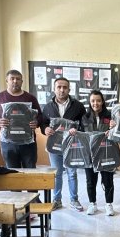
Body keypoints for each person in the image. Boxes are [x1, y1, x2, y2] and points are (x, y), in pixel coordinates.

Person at [41, 77, 87, 211]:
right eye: (59, 87)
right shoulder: (48, 107)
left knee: (72, 174)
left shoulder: (78, 106)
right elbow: (43, 123)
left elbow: (84, 124)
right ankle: (57, 200)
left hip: (72, 146)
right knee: (57, 174)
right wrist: (45, 129)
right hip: (54, 146)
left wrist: (77, 130)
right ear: (54, 89)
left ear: (69, 89)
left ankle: (74, 200)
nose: (62, 90)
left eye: (65, 87)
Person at [0, 69, 42, 168]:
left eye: (18, 79)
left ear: (22, 81)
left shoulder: (30, 98)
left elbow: (40, 115)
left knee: (30, 171)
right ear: (7, 81)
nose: (15, 81)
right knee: (12, 171)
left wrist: (36, 122)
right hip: (8, 143)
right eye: (12, 78)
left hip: (28, 143)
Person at [81, 90, 116, 216]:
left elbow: (117, 133)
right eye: (93, 101)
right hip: (89, 154)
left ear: (102, 102)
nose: (95, 103)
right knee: (90, 181)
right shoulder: (84, 117)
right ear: (90, 102)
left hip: (106, 153)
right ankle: (92, 204)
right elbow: (81, 134)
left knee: (108, 180)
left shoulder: (110, 116)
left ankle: (109, 204)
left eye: (98, 100)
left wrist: (113, 128)